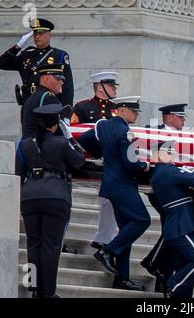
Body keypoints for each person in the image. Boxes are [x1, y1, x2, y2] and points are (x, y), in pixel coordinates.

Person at [79, 96, 151, 291]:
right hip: (123, 185)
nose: (136, 114)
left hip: (110, 184)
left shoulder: (103, 126)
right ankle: (107, 251)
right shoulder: (125, 131)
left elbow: (85, 139)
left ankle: (122, 278)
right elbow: (130, 163)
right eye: (133, 110)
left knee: (126, 229)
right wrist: (144, 165)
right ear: (121, 110)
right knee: (142, 220)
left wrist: (99, 153)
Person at [15, 103, 85, 298]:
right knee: (51, 245)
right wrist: (70, 137)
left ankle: (33, 287)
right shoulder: (61, 143)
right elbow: (79, 160)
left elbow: (18, 174)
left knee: (33, 243)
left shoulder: (24, 144)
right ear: (55, 124)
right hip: (56, 196)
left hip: (29, 197)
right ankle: (48, 292)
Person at [150, 140, 194, 298]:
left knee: (185, 267)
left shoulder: (164, 173)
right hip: (180, 226)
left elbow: (193, 198)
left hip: (180, 225)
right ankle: (172, 285)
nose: (173, 155)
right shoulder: (167, 170)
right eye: (168, 152)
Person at [73, 72, 120, 270]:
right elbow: (74, 132)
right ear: (100, 86)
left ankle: (104, 237)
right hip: (87, 160)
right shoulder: (82, 107)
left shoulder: (116, 110)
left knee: (108, 201)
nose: (115, 89)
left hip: (108, 161)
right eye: (112, 86)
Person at [140, 103, 188, 292]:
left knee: (172, 230)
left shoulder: (186, 137)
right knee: (172, 229)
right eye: (181, 117)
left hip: (177, 189)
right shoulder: (152, 133)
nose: (184, 120)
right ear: (169, 118)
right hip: (159, 189)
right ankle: (154, 263)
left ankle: (161, 272)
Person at [0, 18, 73, 112]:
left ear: (49, 35)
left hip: (50, 105)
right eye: (35, 34)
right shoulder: (26, 55)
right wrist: (18, 46)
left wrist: (66, 111)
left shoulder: (59, 55)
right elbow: (1, 64)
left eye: (41, 34)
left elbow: (67, 86)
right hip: (28, 105)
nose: (37, 37)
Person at [21, 63, 65, 139]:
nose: (61, 82)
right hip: (41, 145)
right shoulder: (48, 98)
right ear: (46, 79)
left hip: (30, 144)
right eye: (58, 78)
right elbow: (54, 129)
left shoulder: (36, 95)